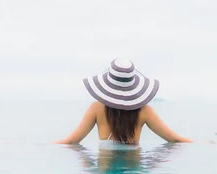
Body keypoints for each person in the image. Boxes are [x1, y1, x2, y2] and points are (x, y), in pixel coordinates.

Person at [53, 59, 192, 146]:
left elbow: (72, 141)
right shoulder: (144, 111)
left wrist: (43, 145)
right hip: (134, 172)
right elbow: (175, 139)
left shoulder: (97, 108)